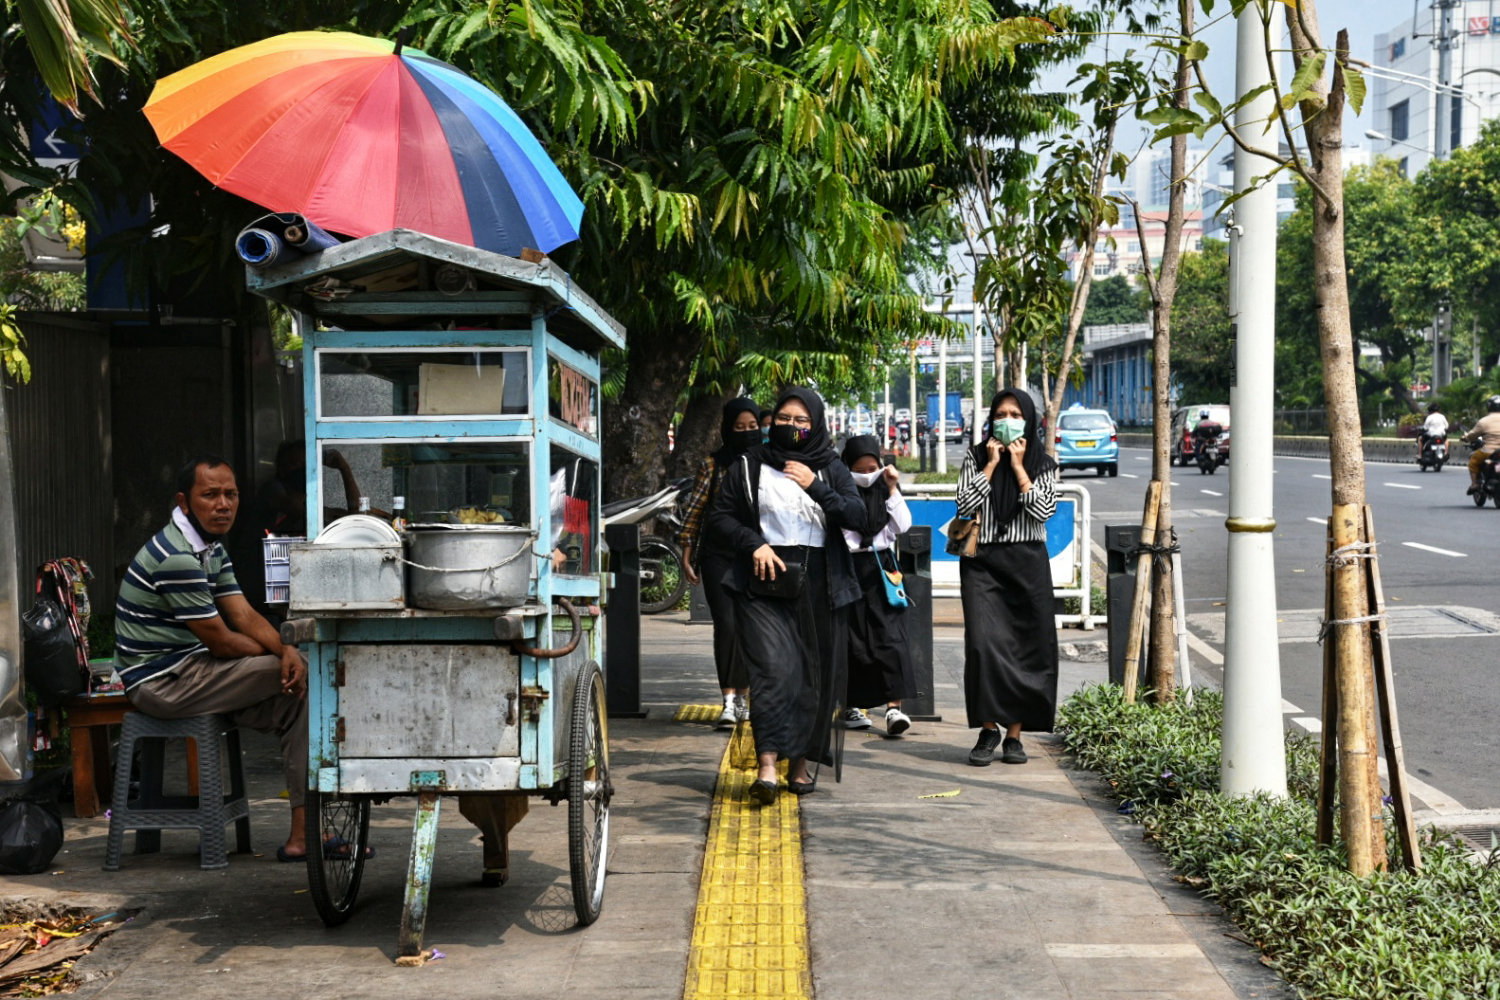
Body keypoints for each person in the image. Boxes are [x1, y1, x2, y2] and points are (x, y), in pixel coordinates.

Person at [114, 456, 340, 861]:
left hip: (196, 671)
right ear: (184, 502)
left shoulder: (210, 548)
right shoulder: (177, 557)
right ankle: (305, 835)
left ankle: (303, 837)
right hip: (162, 682)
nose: (223, 504)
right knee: (304, 673)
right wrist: (284, 656)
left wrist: (287, 648)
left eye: (230, 494)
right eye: (210, 495)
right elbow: (223, 642)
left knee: (297, 697)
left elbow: (244, 614)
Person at [707, 387, 868, 803]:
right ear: (770, 421)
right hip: (764, 582)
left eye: (801, 421)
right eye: (783, 419)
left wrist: (817, 486)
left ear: (815, 425)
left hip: (820, 586)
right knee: (774, 671)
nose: (791, 427)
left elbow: (858, 518)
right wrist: (753, 543)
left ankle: (799, 765)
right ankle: (766, 767)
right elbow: (720, 517)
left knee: (813, 679)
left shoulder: (830, 466)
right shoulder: (748, 465)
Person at [954, 389, 1059, 767]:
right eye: (1001, 413)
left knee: (1026, 650)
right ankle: (987, 729)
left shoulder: (1043, 463)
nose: (1008, 419)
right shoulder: (975, 456)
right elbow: (965, 504)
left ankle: (1014, 735)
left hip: (1027, 562)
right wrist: (992, 465)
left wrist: (1018, 468)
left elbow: (1044, 510)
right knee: (983, 646)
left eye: (1016, 413)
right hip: (983, 563)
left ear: (1029, 420)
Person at [680, 398, 761, 728]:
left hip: (759, 555)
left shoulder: (769, 463)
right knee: (727, 625)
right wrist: (686, 552)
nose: (745, 433)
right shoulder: (712, 465)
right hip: (718, 556)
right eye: (738, 428)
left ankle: (746, 695)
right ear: (727, 429)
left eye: (752, 427)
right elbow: (696, 510)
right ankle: (729, 699)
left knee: (752, 627)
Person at [838, 435, 915, 736]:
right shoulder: (838, 492)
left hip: (883, 569)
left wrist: (893, 488)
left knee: (891, 637)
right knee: (852, 640)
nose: (867, 473)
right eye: (859, 468)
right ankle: (851, 705)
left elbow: (904, 525)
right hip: (849, 568)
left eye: (873, 467)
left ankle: (894, 709)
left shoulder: (886, 490)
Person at [1463, 396, 1500, 495]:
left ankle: (1475, 484)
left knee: (1473, 462)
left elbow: (1472, 435)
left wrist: (1466, 437)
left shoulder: (1484, 421)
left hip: (1488, 451)